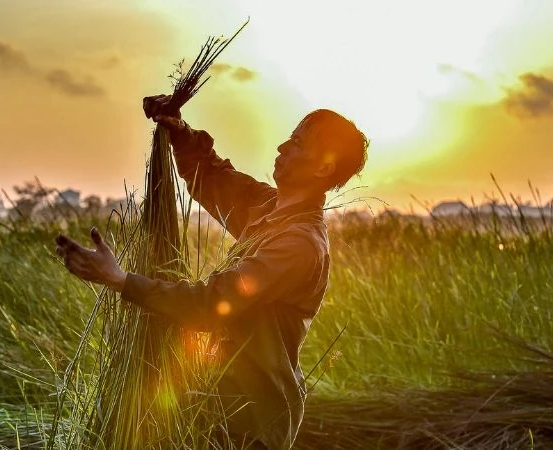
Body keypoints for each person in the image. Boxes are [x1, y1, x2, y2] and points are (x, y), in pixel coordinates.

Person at [54, 95, 369, 449]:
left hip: (252, 424)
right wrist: (179, 130)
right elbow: (214, 178)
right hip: (215, 405)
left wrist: (120, 279)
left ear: (324, 168)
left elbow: (211, 304)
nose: (282, 146)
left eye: (297, 143)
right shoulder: (267, 207)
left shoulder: (299, 245)